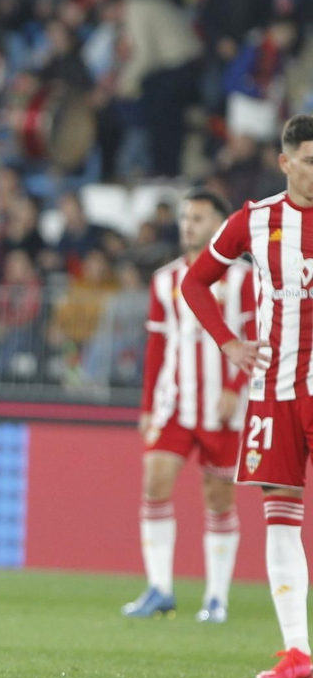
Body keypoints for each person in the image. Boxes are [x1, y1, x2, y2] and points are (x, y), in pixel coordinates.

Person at [181, 115, 313, 678]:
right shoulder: (255, 220)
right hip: (274, 391)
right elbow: (194, 282)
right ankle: (297, 651)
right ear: (286, 163)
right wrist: (229, 342)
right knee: (281, 517)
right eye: (309, 161)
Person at [124, 191, 252, 622]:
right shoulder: (165, 280)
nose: (188, 225)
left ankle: (216, 598)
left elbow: (257, 338)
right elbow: (157, 346)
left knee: (218, 496)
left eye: (198, 218)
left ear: (219, 224)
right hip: (175, 403)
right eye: (185, 217)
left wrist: (235, 386)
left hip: (223, 407)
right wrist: (147, 406)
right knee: (155, 481)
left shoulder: (244, 279)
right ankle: (160, 588)